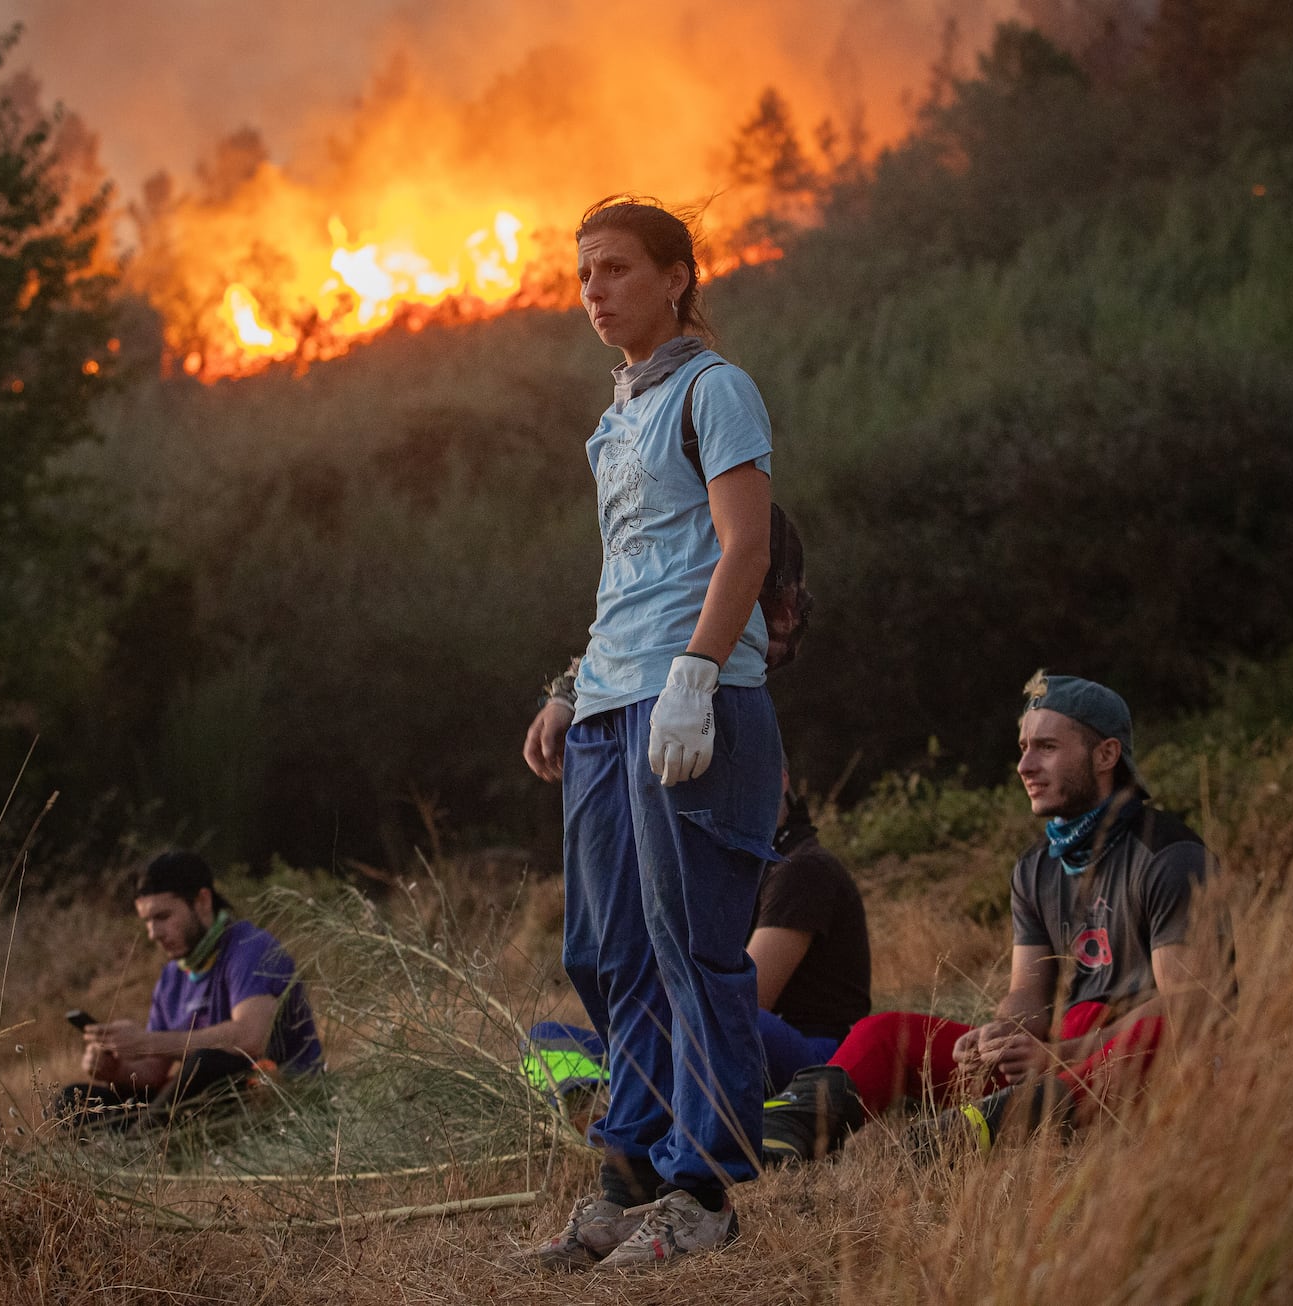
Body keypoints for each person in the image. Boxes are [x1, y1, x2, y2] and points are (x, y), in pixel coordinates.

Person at [519, 196, 785, 1272]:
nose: (594, 290)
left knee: (690, 949)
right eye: (584, 273)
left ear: (677, 276)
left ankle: (702, 1188)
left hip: (696, 702)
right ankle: (624, 1177)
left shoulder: (714, 391)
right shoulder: (613, 416)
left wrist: (695, 673)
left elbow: (745, 549)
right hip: (607, 705)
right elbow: (627, 573)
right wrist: (568, 686)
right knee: (605, 950)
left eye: (618, 268)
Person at [759, 672, 1227, 1164]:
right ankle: (786, 1130)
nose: (1025, 765)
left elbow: (1189, 1005)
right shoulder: (1036, 866)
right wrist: (1001, 1035)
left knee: (1155, 1032)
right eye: (1024, 747)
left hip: (1140, 1056)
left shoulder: (1169, 856)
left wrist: (1065, 1054)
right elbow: (1029, 991)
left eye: (1046, 747)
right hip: (1063, 1056)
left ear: (1106, 755)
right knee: (884, 1033)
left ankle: (978, 1130)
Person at [523, 773, 871, 1098]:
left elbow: (748, 999)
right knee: (543, 1042)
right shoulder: (733, 872)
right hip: (712, 1042)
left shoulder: (803, 869)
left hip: (807, 1053)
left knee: (721, 1019)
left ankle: (621, 1097)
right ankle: (616, 1096)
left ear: (777, 779)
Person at [50, 850, 322, 1130]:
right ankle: (143, 1142)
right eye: (147, 921)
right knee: (74, 1101)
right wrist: (115, 1069)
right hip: (193, 1106)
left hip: (271, 1099)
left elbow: (250, 1038)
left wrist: (145, 1042)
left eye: (163, 916)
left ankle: (136, 1147)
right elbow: (154, 1073)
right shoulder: (172, 976)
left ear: (202, 901)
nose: (153, 933)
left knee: (209, 1062)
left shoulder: (250, 947)